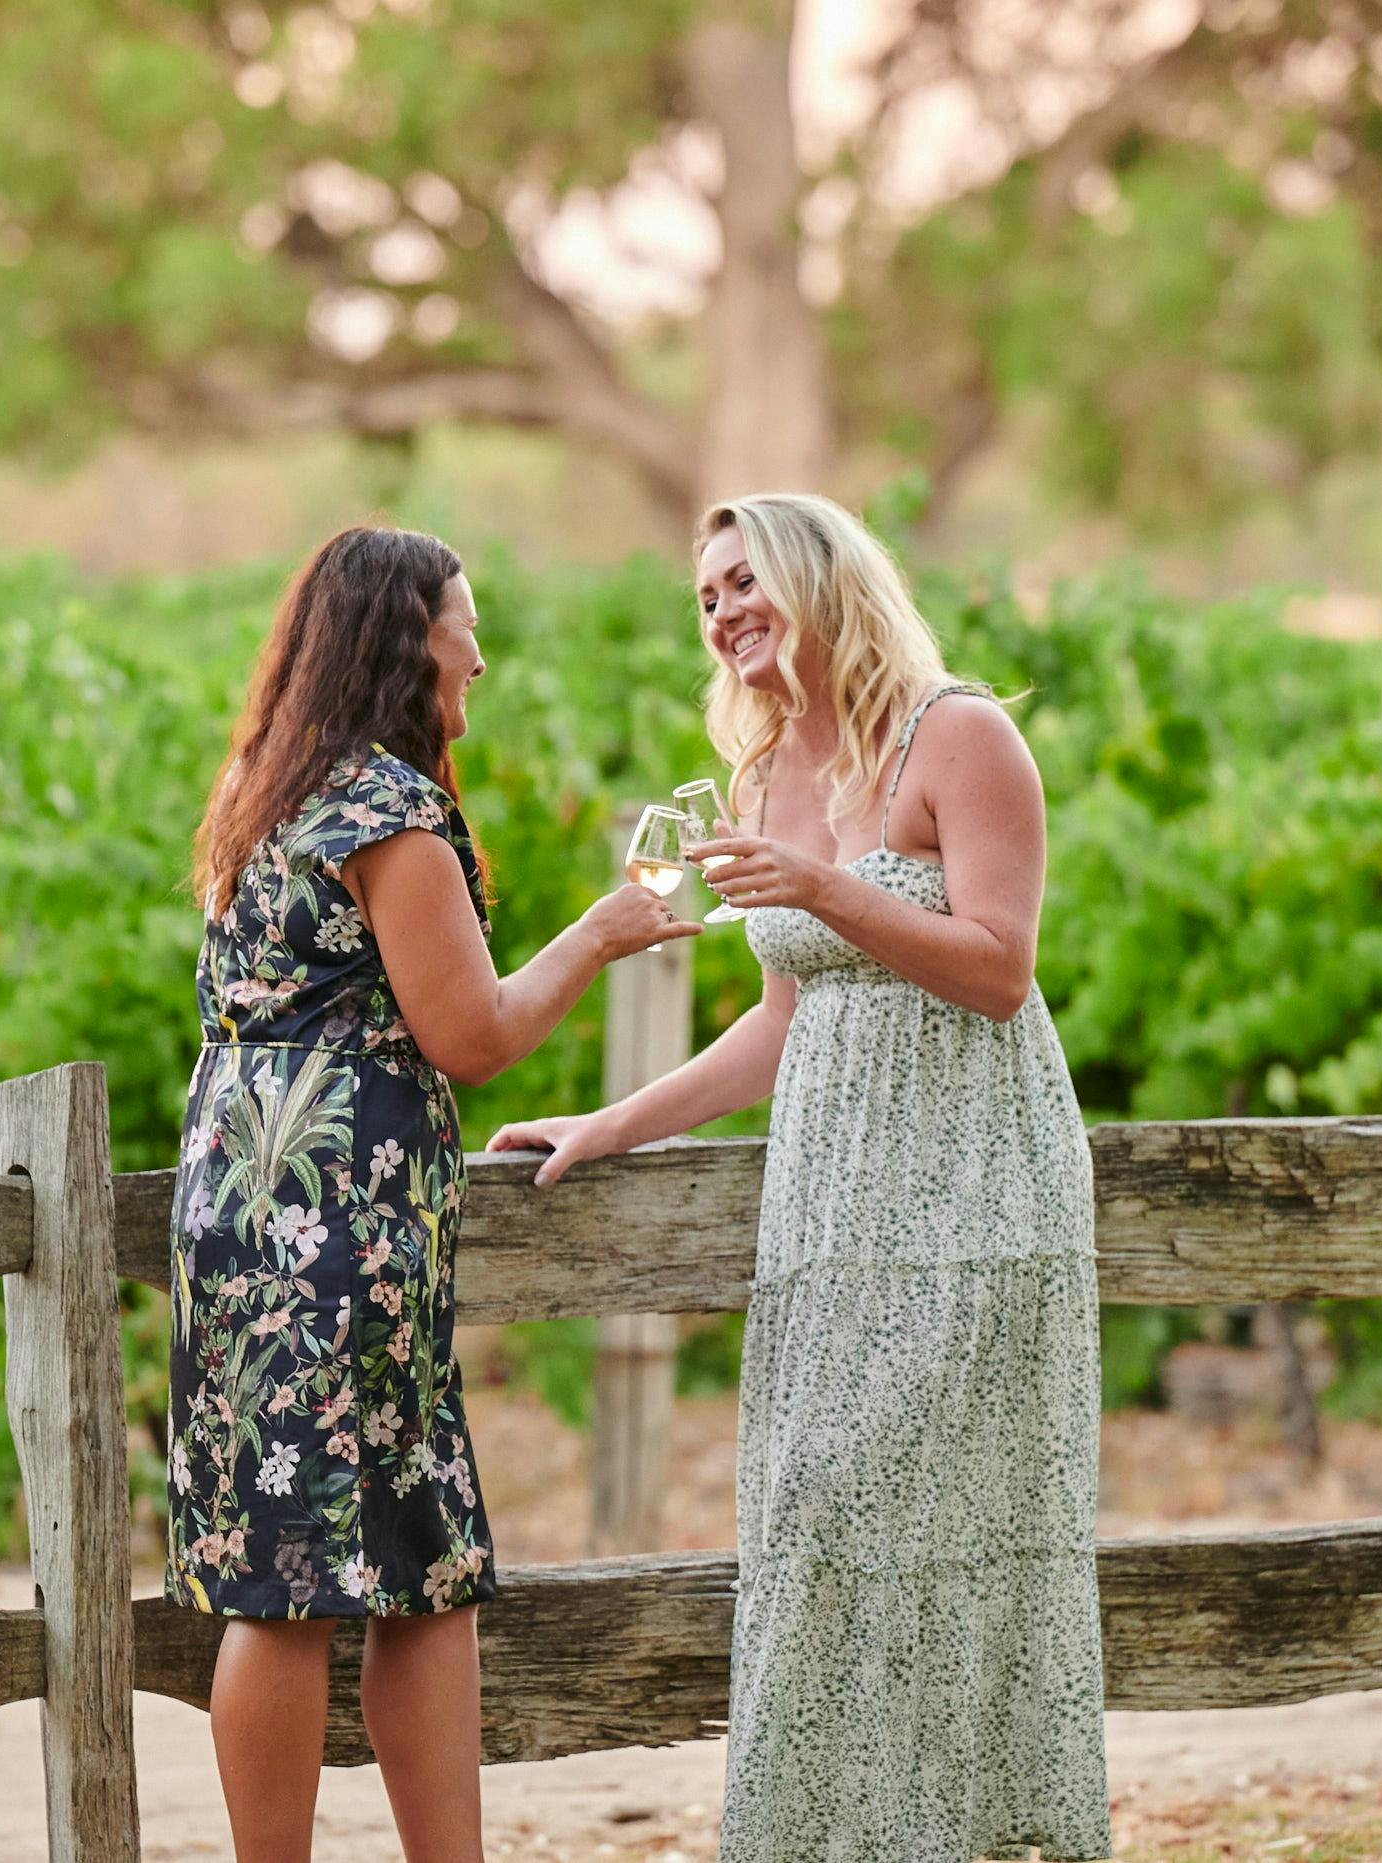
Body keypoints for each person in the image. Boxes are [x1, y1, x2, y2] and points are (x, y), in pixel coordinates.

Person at [488, 493, 1111, 1862]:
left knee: (951, 1516)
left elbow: (1001, 971)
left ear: (820, 578)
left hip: (976, 1184)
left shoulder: (960, 734)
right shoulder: (765, 776)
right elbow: (780, 1022)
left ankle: (963, 1832)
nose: (721, 611)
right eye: (704, 595)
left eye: (741, 578)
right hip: (834, 1200)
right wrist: (611, 1122)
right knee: (818, 1512)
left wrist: (822, 890)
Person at [170, 524, 695, 1863]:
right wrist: (603, 931)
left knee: (370, 1563)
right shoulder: (389, 813)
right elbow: (471, 1033)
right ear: (409, 636)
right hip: (336, 1214)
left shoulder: (267, 790)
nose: (481, 649)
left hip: (242, 1193)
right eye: (467, 621)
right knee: (334, 1577)